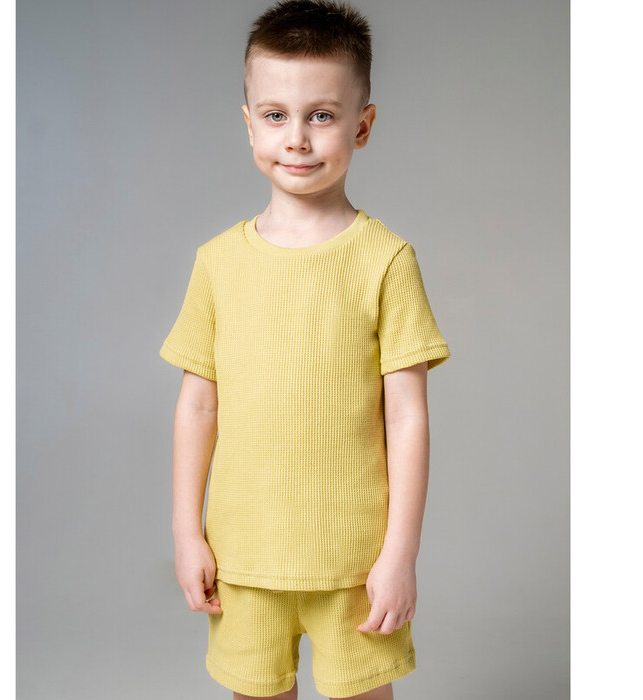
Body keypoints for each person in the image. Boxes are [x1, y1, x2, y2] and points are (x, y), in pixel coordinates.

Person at [159, 1, 451, 698]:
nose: (296, 138)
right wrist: (186, 532)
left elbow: (407, 416)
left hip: (355, 561)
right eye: (275, 115)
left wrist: (400, 554)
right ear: (248, 123)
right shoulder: (218, 263)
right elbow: (198, 406)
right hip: (244, 555)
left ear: (362, 126)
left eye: (321, 115)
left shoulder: (386, 260)